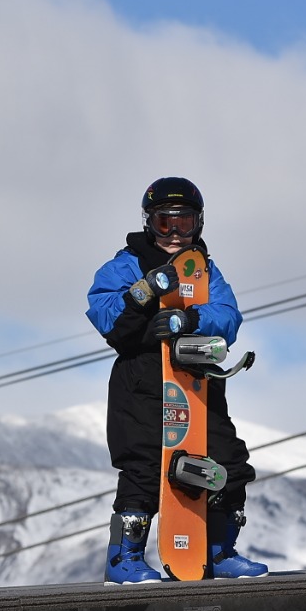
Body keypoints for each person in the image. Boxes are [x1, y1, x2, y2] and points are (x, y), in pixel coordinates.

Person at [85, 176, 267, 584]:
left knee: (229, 461)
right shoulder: (125, 264)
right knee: (145, 467)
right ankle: (124, 558)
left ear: (198, 223)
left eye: (183, 223)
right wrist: (144, 294)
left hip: (196, 378)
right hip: (142, 377)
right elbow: (108, 319)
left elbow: (228, 315)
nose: (174, 234)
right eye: (165, 223)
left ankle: (218, 551)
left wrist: (191, 318)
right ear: (149, 222)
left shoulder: (203, 270)